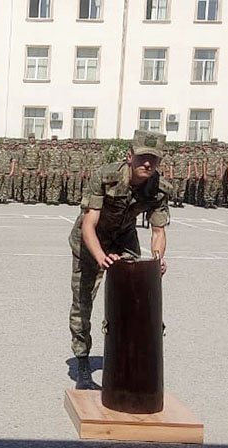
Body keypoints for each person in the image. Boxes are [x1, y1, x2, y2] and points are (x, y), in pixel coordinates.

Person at [68, 130, 171, 390]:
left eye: (153, 159)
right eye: (142, 157)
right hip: (91, 240)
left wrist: (157, 259)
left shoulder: (159, 188)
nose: (147, 163)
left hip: (124, 238)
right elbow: (89, 225)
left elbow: (158, 231)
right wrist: (101, 258)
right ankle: (82, 363)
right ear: (129, 157)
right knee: (83, 301)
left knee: (136, 296)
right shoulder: (106, 177)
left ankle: (128, 355)